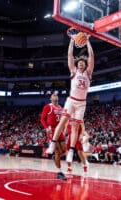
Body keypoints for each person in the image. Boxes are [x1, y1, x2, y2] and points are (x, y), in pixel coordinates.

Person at [46, 37, 94, 165]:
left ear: (85, 64)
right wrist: (72, 41)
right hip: (71, 101)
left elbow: (91, 57)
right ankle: (52, 144)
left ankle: (71, 151)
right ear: (77, 64)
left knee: (75, 126)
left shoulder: (88, 73)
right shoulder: (73, 71)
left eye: (83, 63)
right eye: (79, 63)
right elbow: (69, 55)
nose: (81, 64)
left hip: (82, 103)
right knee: (62, 122)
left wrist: (88, 42)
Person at [40, 93, 67, 180]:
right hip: (52, 131)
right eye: (53, 95)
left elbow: (63, 119)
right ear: (50, 98)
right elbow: (42, 119)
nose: (55, 96)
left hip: (59, 131)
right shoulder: (48, 106)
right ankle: (59, 172)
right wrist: (46, 128)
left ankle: (55, 157)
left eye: (56, 95)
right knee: (58, 152)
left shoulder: (61, 107)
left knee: (64, 150)